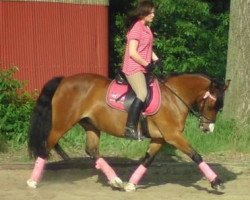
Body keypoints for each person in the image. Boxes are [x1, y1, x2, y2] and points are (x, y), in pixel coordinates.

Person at [122, 0, 159, 140]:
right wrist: (146, 63)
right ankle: (130, 128)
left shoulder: (147, 28)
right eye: (151, 12)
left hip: (143, 67)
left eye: (154, 12)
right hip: (133, 67)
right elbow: (132, 52)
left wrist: (156, 59)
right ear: (144, 12)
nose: (153, 15)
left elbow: (147, 48)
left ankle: (145, 127)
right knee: (142, 93)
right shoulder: (137, 28)